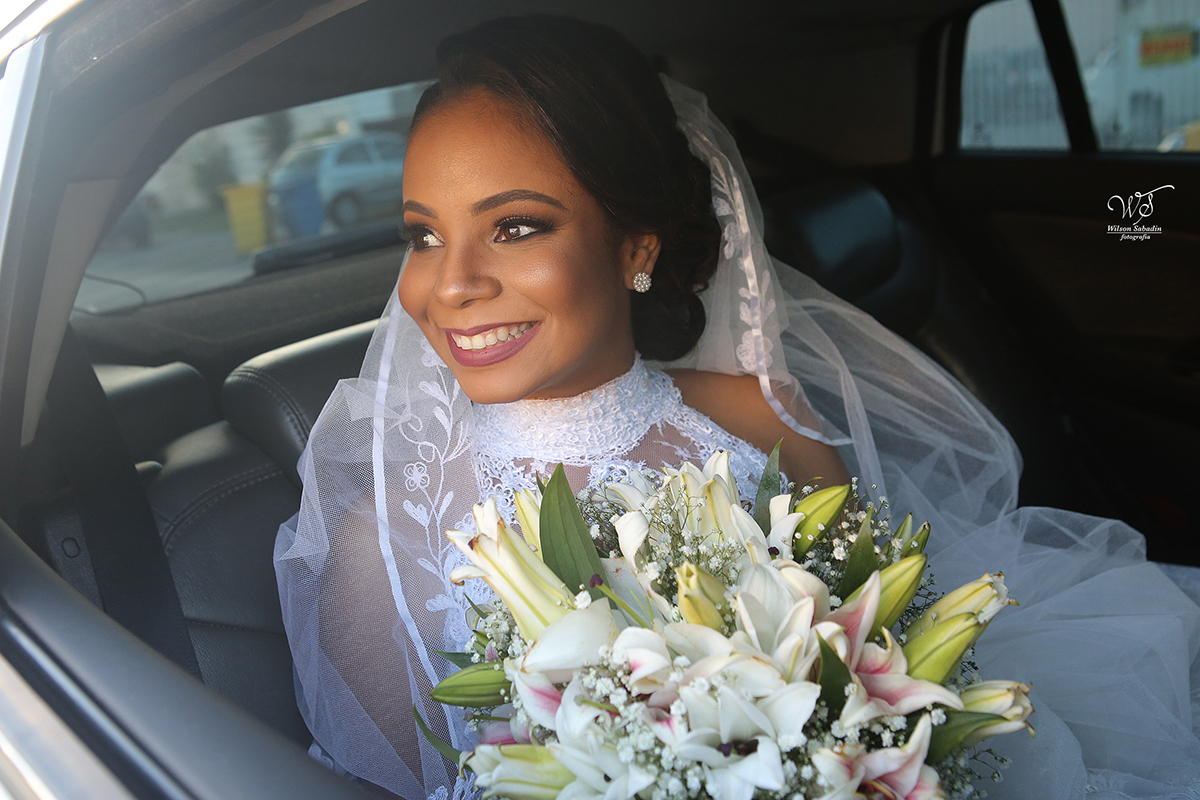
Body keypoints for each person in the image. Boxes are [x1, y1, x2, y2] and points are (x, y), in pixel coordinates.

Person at [274, 15, 1200, 800]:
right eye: (424, 235)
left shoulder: (762, 423)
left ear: (637, 244)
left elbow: (881, 669)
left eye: (516, 226)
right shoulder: (386, 537)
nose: (452, 283)